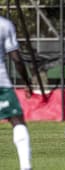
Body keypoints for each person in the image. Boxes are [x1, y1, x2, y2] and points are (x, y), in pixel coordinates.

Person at [0, 16, 33, 169]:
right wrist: (27, 82)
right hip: (2, 83)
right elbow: (16, 58)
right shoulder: (4, 25)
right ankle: (25, 167)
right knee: (17, 121)